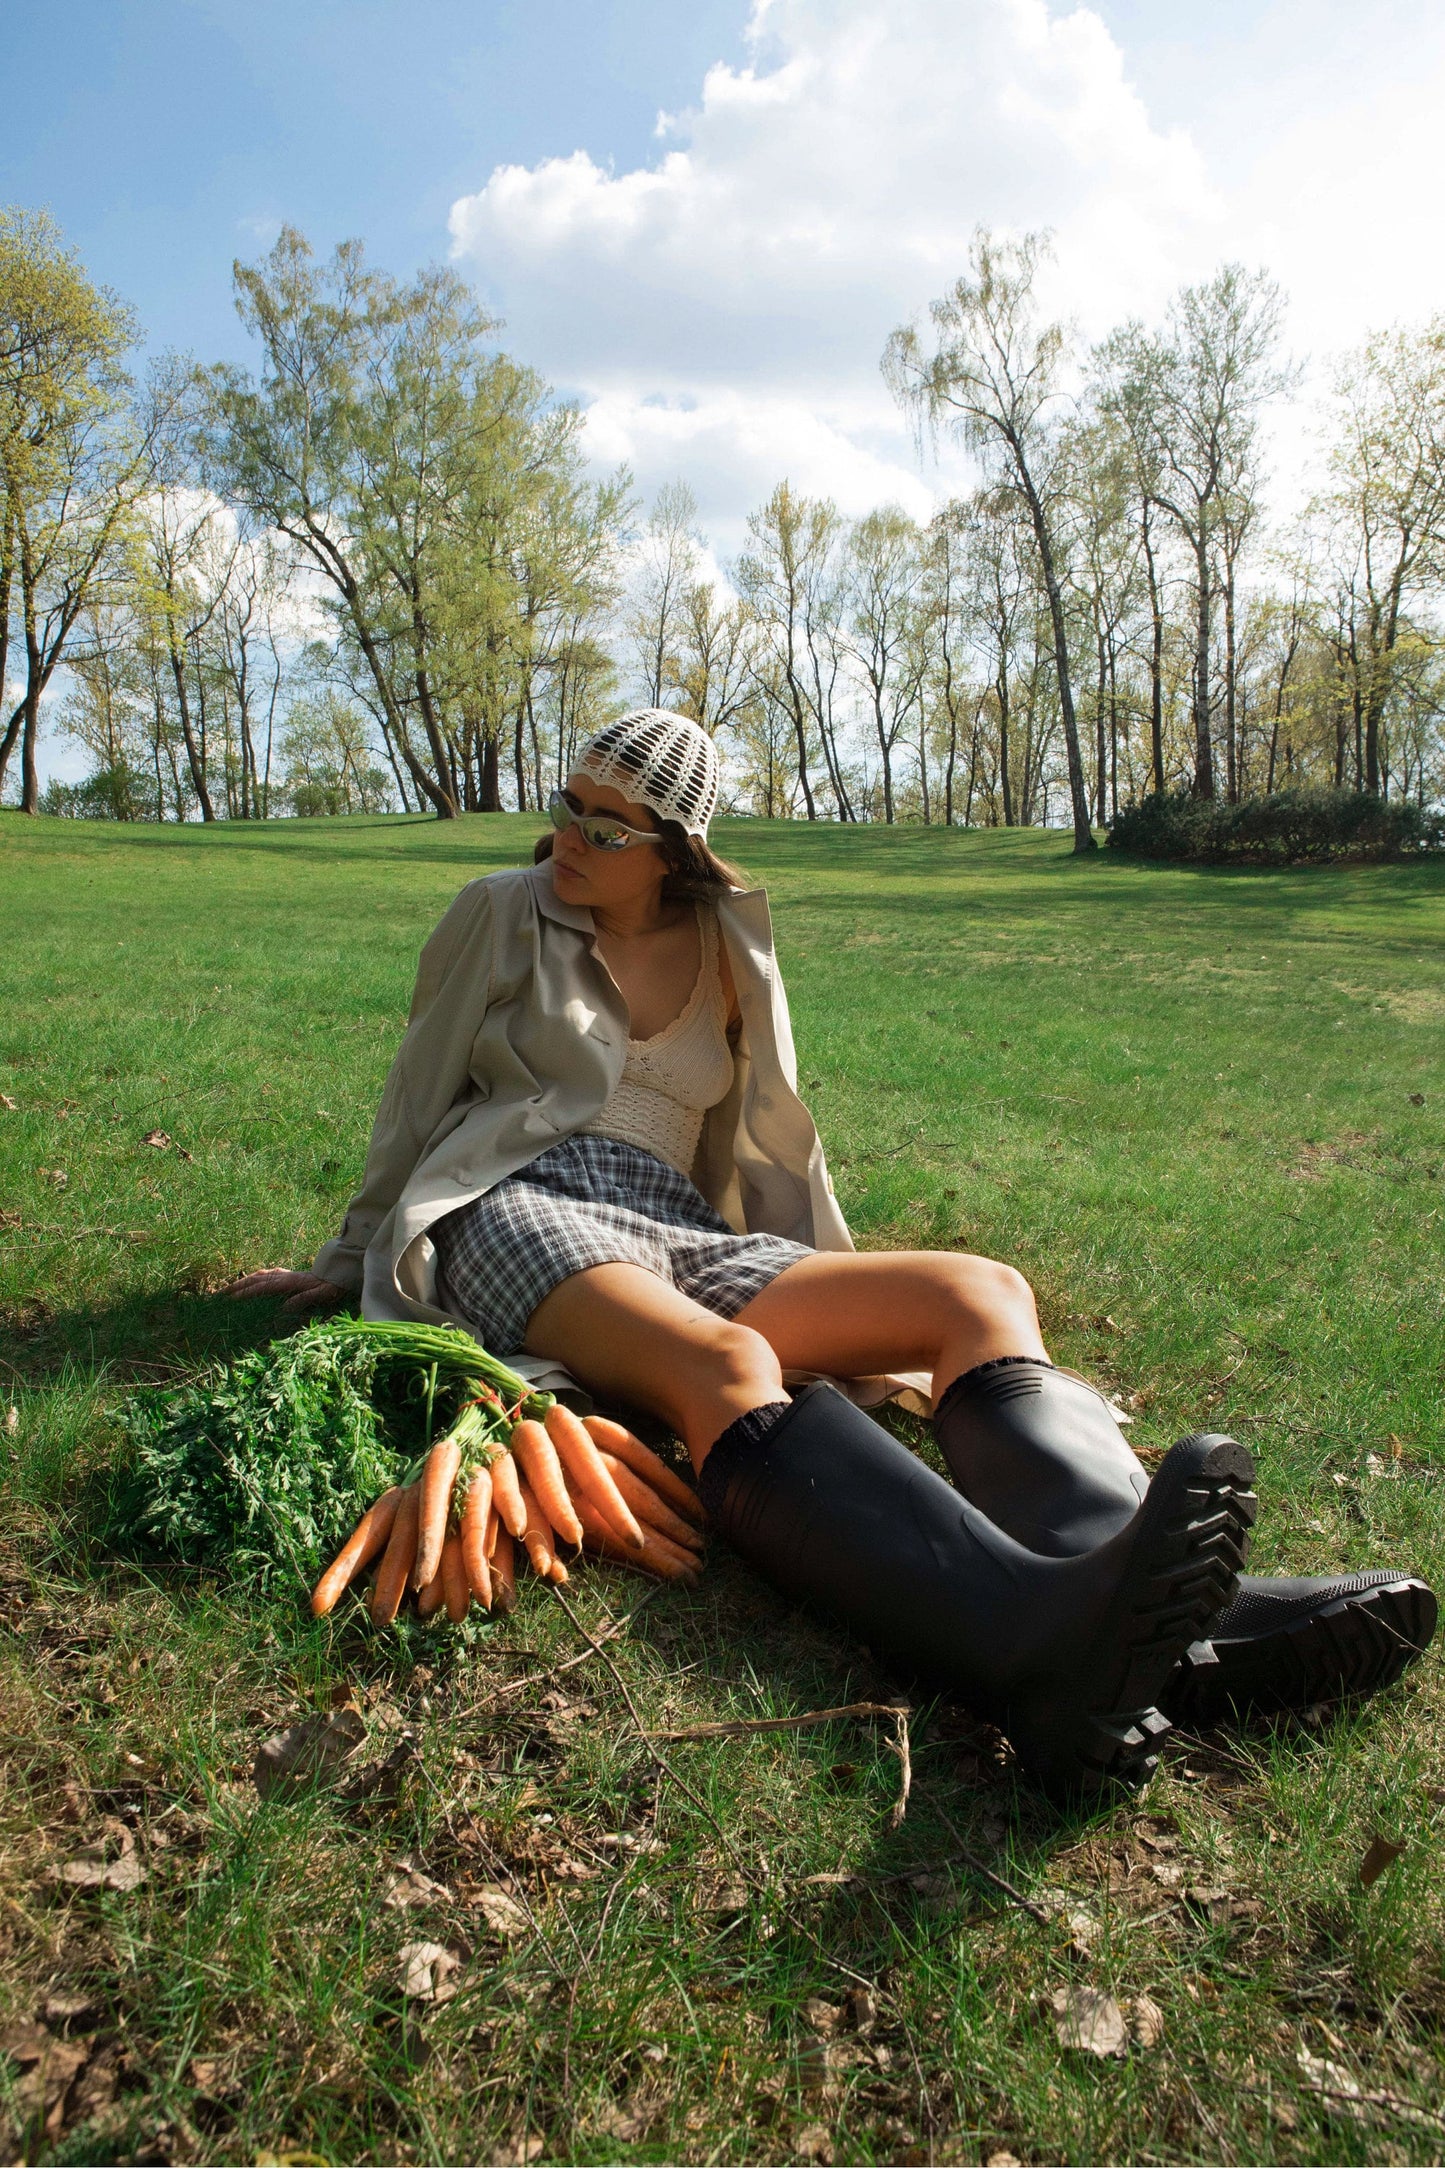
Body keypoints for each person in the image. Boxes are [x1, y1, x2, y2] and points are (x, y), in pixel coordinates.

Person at [230, 708, 1436, 1795]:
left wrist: (822, 1275)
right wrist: (349, 1258)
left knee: (977, 1291)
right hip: (515, 1204)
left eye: (609, 823)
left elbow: (772, 1139)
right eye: (567, 804)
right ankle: (1026, 1642)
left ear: (676, 848)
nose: (570, 838)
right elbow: (414, 1092)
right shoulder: (501, 909)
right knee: (721, 1369)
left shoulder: (728, 944)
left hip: (670, 1217)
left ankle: (1132, 1604)